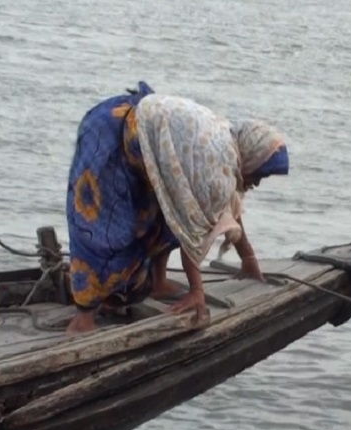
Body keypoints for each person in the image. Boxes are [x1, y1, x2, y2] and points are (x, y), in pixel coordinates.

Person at [64, 82, 290, 334]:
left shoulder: (229, 151)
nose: (257, 182)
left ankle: (157, 282)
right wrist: (196, 292)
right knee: (103, 230)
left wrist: (248, 258)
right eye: (259, 174)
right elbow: (193, 233)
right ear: (250, 157)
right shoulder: (216, 167)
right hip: (112, 134)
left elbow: (222, 211)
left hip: (149, 150)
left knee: (163, 218)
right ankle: (83, 319)